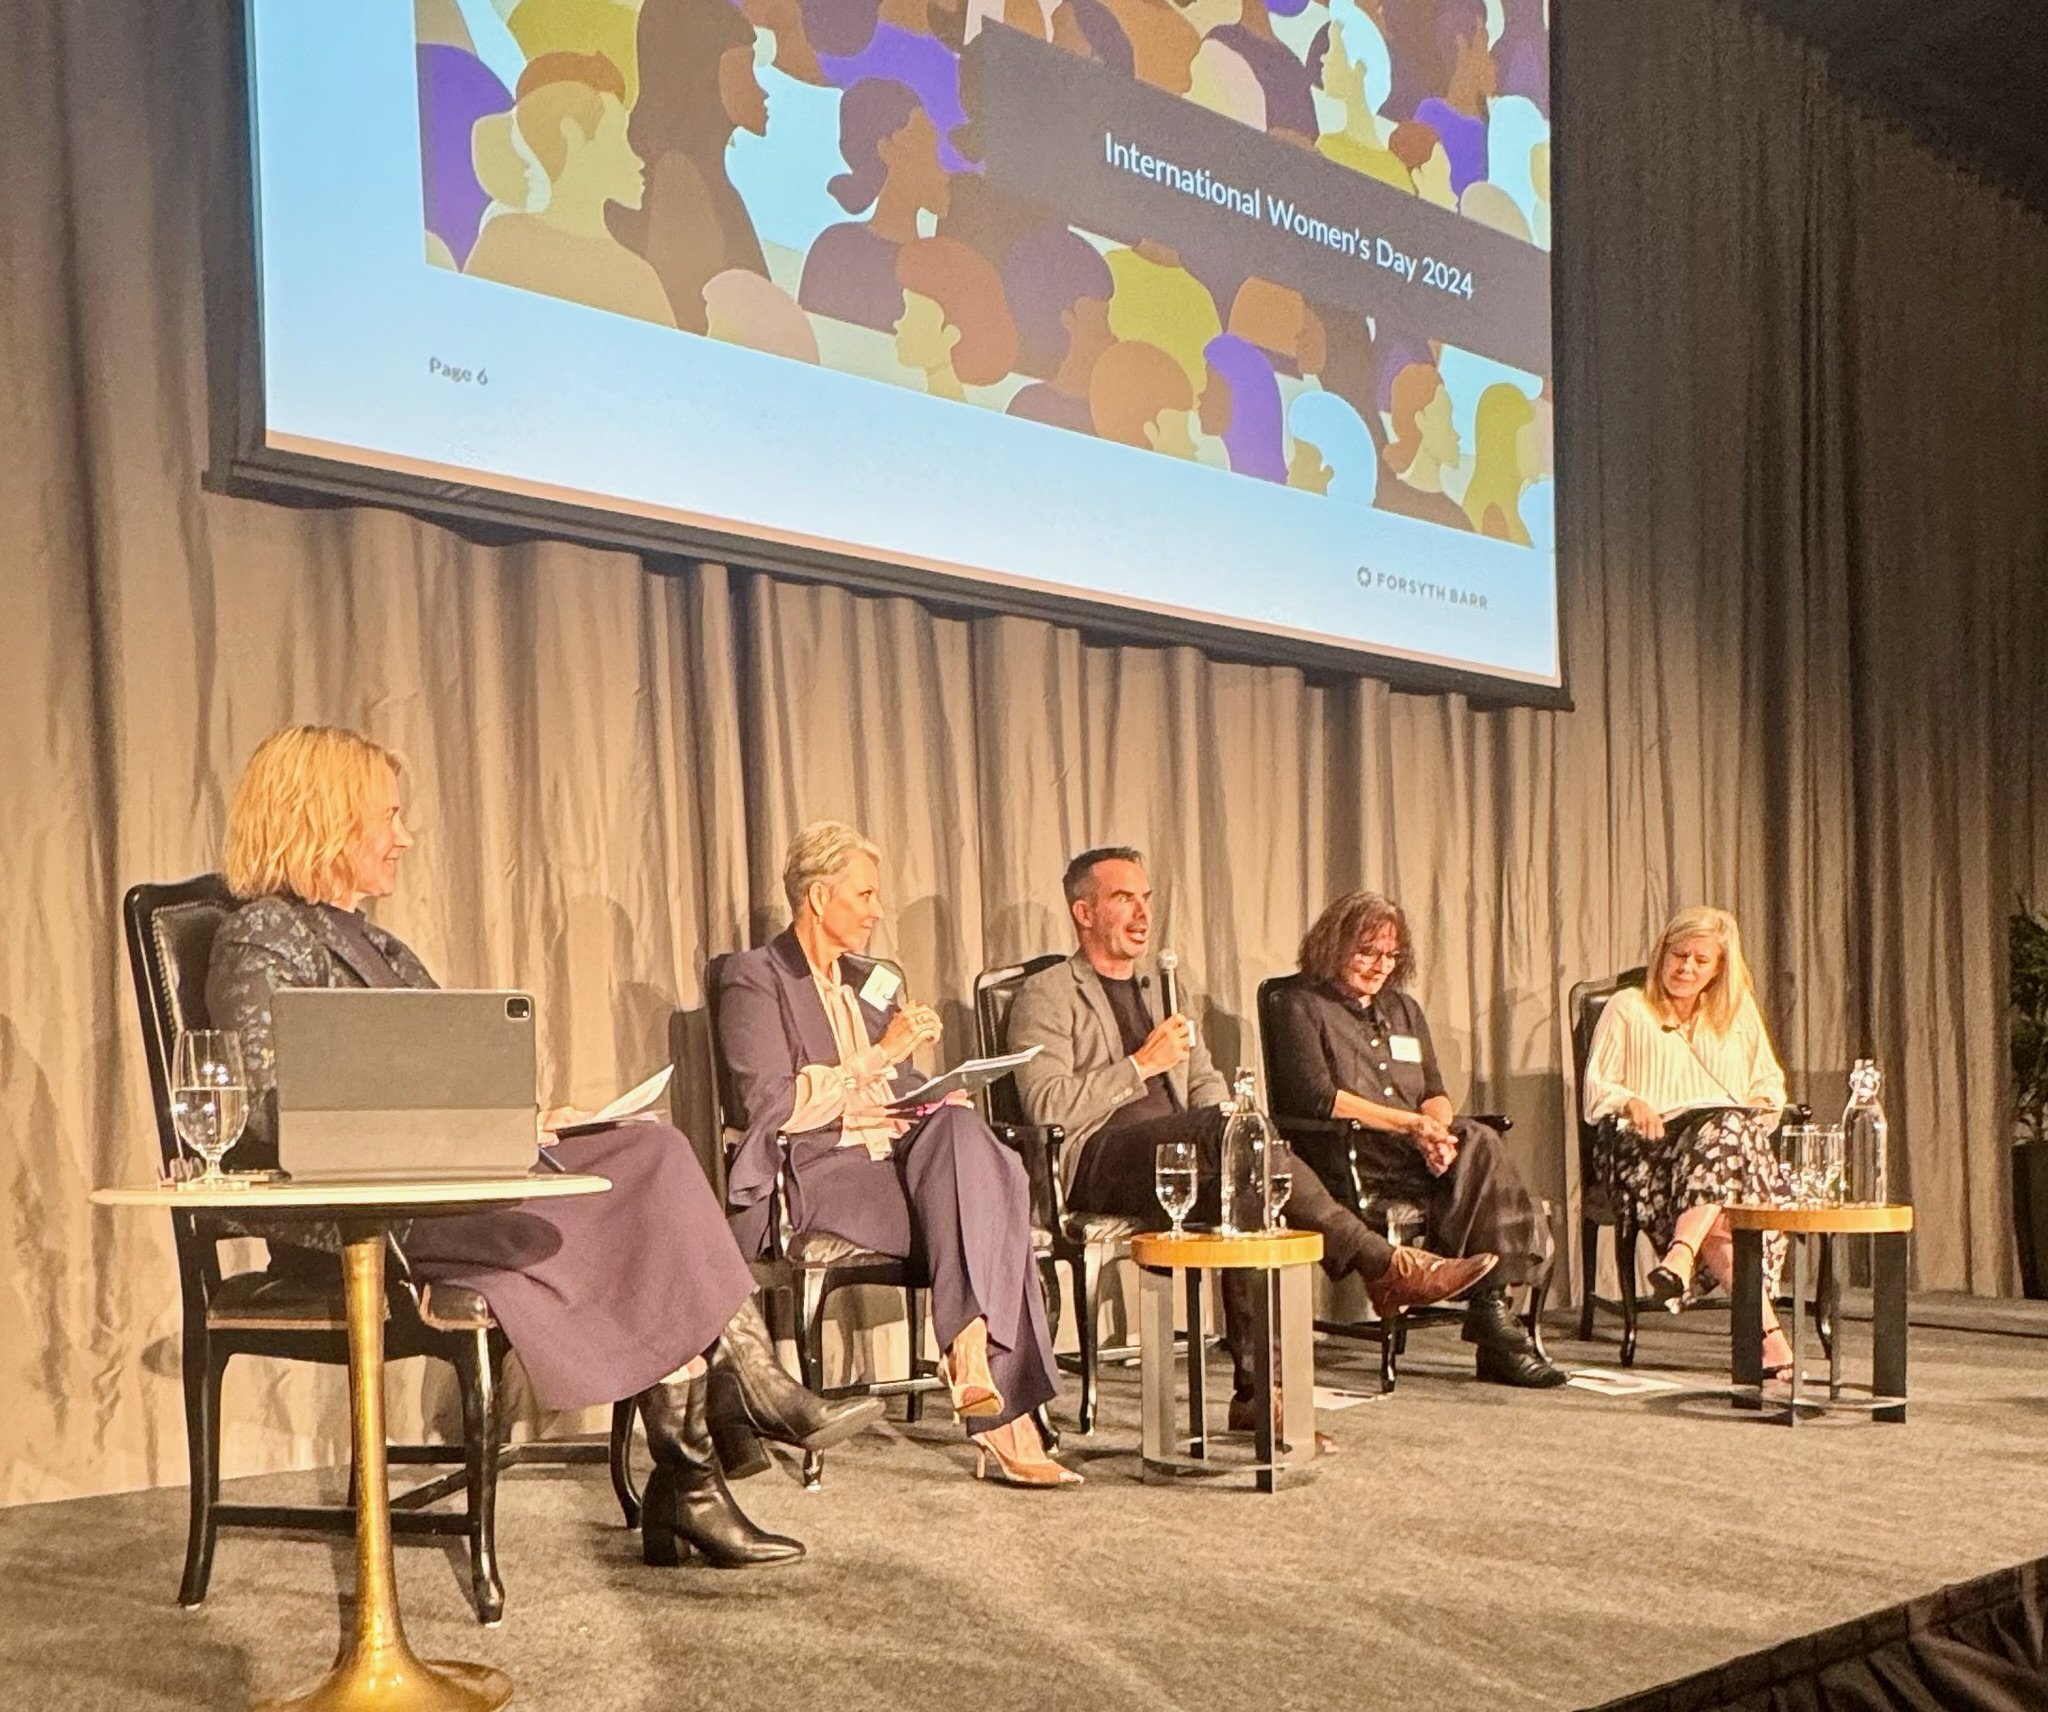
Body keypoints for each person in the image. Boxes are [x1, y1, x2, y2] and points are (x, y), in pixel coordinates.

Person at [204, 727, 883, 1569]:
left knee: (654, 1152)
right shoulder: (260, 937)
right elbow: (270, 1109)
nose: (405, 836)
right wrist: (471, 1129)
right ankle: (711, 1458)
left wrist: (519, 1116)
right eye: (389, 815)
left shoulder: (376, 944)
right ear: (327, 819)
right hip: (364, 1210)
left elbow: (451, 1072)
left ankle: (712, 1453)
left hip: (453, 1174)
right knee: (631, 1222)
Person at [1006, 848, 1497, 1430]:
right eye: (1123, 899)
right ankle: (1382, 1264)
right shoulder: (1047, 993)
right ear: (1083, 912)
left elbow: (1205, 1079)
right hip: (1099, 1159)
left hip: (1186, 1156)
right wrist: (1140, 1066)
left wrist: (1235, 1121)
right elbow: (1045, 1105)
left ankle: (1259, 1398)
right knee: (1232, 1138)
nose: (1141, 913)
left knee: (1252, 1191)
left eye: (1146, 898)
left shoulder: (1161, 988)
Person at [717, 821, 1077, 1487]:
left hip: (899, 1156)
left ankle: (971, 1355)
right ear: (819, 898)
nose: (878, 910)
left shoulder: (869, 982)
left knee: (973, 1137)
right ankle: (1004, 1411)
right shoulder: (754, 979)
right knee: (992, 1197)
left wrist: (940, 1089)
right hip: (818, 1170)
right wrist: (881, 1056)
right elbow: (771, 1105)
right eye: (866, 894)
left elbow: (901, 1089)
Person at [1267, 891, 1565, 1387]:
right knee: (1483, 1144)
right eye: (1367, 952)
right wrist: (1412, 1126)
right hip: (1351, 1154)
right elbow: (1318, 1099)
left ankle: (1487, 1310)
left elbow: (1433, 1091)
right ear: (1333, 945)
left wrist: (1438, 1132)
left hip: (1414, 1151)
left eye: (1391, 955)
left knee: (1475, 1139)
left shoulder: (1402, 1008)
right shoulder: (1297, 1003)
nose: (1380, 966)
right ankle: (1491, 1314)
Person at [1582, 907, 1797, 1373]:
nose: (1686, 969)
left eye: (1701, 961)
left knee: (1724, 1135)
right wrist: (1629, 1102)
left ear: (1720, 968)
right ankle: (1770, 1339)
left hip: (1726, 1156)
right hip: (1650, 1154)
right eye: (1679, 956)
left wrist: (1755, 1109)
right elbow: (1597, 1089)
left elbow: (1771, 1088)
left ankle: (1680, 1257)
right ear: (1662, 954)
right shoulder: (1629, 1007)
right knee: (1722, 1206)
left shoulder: (1737, 1017)